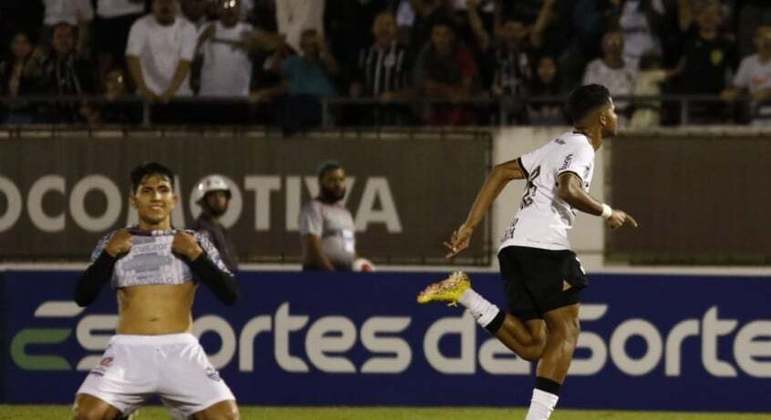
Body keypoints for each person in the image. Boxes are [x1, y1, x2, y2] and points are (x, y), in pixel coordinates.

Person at [417, 84, 638, 420]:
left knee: (534, 344)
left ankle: (464, 294)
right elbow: (568, 188)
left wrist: (469, 227)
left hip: (513, 247)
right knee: (567, 331)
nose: (617, 116)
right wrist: (608, 212)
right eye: (614, 110)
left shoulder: (558, 145)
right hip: (543, 246)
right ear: (602, 117)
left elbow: (500, 171)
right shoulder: (581, 148)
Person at [72, 162, 239, 420]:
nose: (156, 196)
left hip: (181, 351)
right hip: (128, 351)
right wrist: (108, 255)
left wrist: (195, 256)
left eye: (163, 189)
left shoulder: (195, 241)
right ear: (133, 199)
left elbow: (230, 294)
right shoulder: (114, 241)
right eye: (147, 190)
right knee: (87, 415)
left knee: (225, 417)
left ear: (174, 199)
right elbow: (82, 296)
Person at [299, 161, 358, 272]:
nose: (338, 184)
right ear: (321, 183)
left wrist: (359, 266)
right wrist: (331, 274)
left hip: (345, 274)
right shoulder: (313, 208)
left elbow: (349, 248)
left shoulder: (346, 213)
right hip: (320, 275)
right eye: (332, 180)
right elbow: (312, 246)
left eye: (341, 180)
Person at [189, 175, 239, 273]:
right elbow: (207, 267)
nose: (218, 199)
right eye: (212, 196)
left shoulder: (220, 228)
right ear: (203, 201)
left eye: (221, 195)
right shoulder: (201, 229)